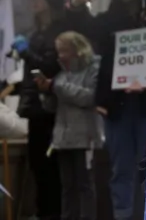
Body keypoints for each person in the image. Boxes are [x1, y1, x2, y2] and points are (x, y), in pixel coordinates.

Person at [69, 0, 146, 220]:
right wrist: (76, 6)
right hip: (116, 104)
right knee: (121, 165)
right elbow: (84, 29)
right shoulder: (107, 20)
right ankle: (122, 214)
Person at [11, 0, 67, 220]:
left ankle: (52, 212)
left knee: (49, 163)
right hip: (34, 106)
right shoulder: (34, 33)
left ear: (49, 2)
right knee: (36, 162)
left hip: (51, 106)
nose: (33, 2)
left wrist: (26, 53)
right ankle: (42, 211)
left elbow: (48, 67)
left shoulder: (58, 33)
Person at [35, 31, 102, 220]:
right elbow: (51, 107)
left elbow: (89, 97)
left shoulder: (93, 68)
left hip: (85, 137)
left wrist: (56, 87)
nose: (60, 55)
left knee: (85, 185)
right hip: (63, 140)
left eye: (64, 50)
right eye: (59, 51)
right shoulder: (62, 74)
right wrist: (46, 92)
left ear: (78, 50)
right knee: (67, 188)